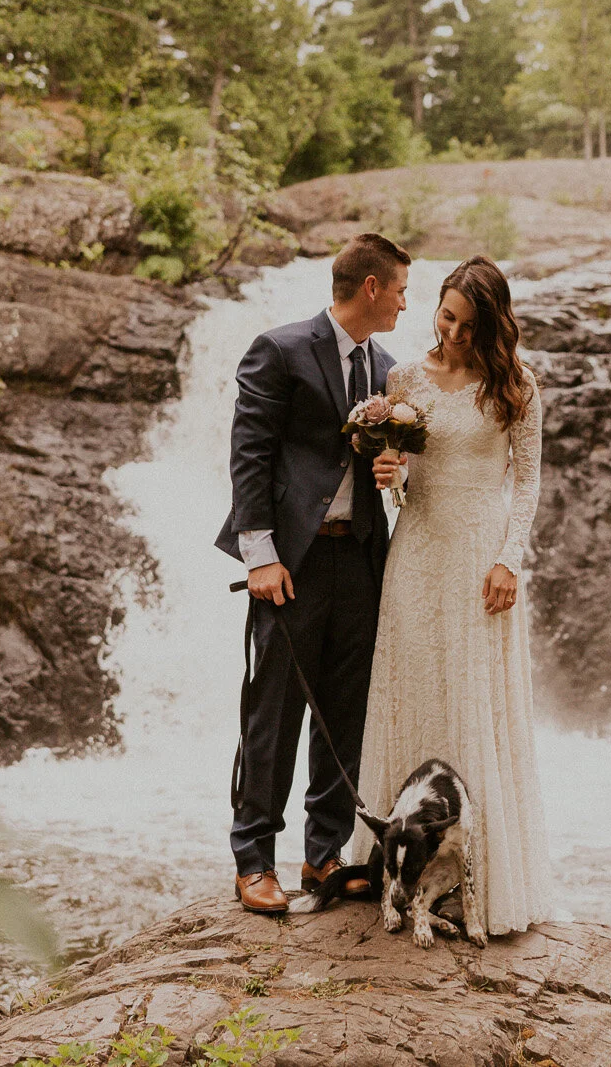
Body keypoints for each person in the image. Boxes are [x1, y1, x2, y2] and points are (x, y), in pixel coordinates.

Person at [216, 232, 410, 915]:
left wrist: (394, 468)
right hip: (290, 563)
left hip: (359, 557)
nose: (406, 305)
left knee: (343, 711)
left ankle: (323, 852)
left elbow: (382, 461)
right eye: (402, 291)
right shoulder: (281, 348)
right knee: (272, 709)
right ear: (371, 288)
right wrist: (260, 554)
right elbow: (250, 453)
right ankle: (252, 858)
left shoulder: (388, 369)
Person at [358, 255, 553, 936]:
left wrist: (509, 558)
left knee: (473, 699)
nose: (454, 333)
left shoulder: (517, 386)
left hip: (480, 554)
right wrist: (392, 473)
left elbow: (526, 482)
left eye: (470, 325)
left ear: (493, 325)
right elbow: (405, 473)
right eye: (446, 316)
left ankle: (478, 883)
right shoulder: (405, 379)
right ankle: (396, 867)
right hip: (416, 547)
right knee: (412, 688)